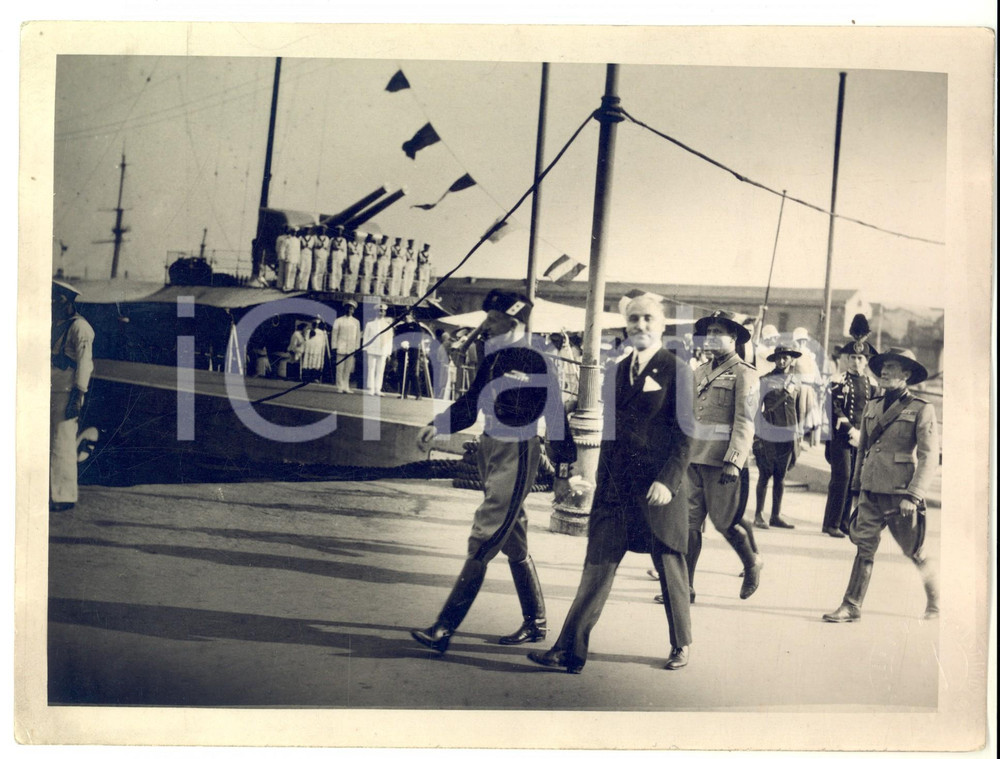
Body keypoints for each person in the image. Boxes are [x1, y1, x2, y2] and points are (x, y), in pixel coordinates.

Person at [527, 294, 693, 673]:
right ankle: (569, 649)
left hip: (657, 490)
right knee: (597, 565)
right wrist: (588, 475)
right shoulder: (617, 370)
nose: (640, 326)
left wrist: (667, 482)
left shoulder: (677, 370)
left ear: (662, 324)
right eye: (633, 320)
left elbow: (686, 436)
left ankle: (681, 643)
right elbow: (610, 433)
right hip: (617, 488)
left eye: (648, 319)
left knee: (669, 567)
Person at [409, 291, 576, 656]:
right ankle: (536, 623)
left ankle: (444, 628)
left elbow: (556, 417)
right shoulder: (493, 356)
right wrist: (437, 425)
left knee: (485, 532)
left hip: (518, 452)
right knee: (513, 538)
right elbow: (470, 403)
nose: (486, 325)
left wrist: (564, 469)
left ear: (514, 322)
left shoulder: (538, 359)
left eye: (494, 318)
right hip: (490, 448)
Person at [823, 348, 939, 623]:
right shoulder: (873, 405)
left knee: (915, 551)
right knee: (864, 547)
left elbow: (929, 456)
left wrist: (913, 496)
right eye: (883, 367)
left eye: (892, 367)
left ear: (907, 374)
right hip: (871, 490)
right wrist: (856, 487)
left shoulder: (922, 409)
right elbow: (862, 450)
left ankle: (937, 600)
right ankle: (851, 605)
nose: (884, 371)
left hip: (901, 495)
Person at [684, 310, 762, 603]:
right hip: (694, 458)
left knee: (724, 522)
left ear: (734, 339)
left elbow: (745, 421)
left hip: (722, 462)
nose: (712, 338)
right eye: (709, 332)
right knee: (690, 525)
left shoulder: (746, 373)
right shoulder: (699, 371)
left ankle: (751, 563)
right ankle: (685, 588)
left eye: (719, 333)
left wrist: (734, 460)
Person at [822, 316, 878, 538]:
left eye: (860, 358)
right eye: (853, 357)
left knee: (855, 480)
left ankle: (845, 522)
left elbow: (874, 410)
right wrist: (850, 430)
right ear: (846, 359)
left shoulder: (872, 384)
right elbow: (834, 407)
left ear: (866, 361)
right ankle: (831, 523)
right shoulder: (838, 380)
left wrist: (865, 433)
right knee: (842, 477)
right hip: (841, 437)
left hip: (862, 437)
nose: (856, 362)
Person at [50, 280, 96, 512]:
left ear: (68, 300)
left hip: (66, 391)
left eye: (57, 298)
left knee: (63, 443)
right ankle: (50, 492)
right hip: (49, 388)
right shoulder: (55, 323)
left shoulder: (80, 328)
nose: (52, 301)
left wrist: (79, 396)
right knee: (48, 442)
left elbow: (85, 364)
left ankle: (64, 496)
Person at [752, 344, 808, 529]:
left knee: (780, 476)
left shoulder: (796, 382)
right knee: (764, 475)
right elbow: (755, 410)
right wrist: (757, 435)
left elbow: (799, 410)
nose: (782, 360)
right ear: (774, 359)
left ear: (792, 360)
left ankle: (775, 516)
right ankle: (759, 515)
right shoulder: (765, 380)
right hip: (768, 434)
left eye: (786, 357)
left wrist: (798, 435)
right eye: (779, 357)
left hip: (788, 435)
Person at [362, 303, 394, 395]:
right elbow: (366, 337)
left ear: (385, 313)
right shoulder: (370, 324)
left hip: (383, 350)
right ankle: (371, 388)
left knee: (380, 370)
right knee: (371, 368)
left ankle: (377, 388)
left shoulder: (388, 325)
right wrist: (365, 349)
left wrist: (389, 352)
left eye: (383, 311)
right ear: (376, 312)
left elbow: (389, 339)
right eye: (379, 311)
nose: (381, 313)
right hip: (372, 349)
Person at [330, 301, 361, 393]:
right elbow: (334, 334)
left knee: (348, 368)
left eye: (351, 308)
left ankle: (346, 386)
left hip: (351, 348)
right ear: (345, 309)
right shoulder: (338, 320)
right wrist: (334, 346)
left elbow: (358, 336)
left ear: (354, 310)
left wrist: (356, 347)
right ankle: (339, 386)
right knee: (340, 368)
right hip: (341, 347)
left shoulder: (356, 322)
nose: (349, 310)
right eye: (348, 308)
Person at [300, 317, 328, 383]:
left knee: (315, 362)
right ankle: (306, 377)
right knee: (308, 362)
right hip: (309, 350)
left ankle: (314, 377)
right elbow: (306, 340)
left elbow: (323, 343)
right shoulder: (308, 331)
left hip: (317, 350)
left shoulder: (322, 333)